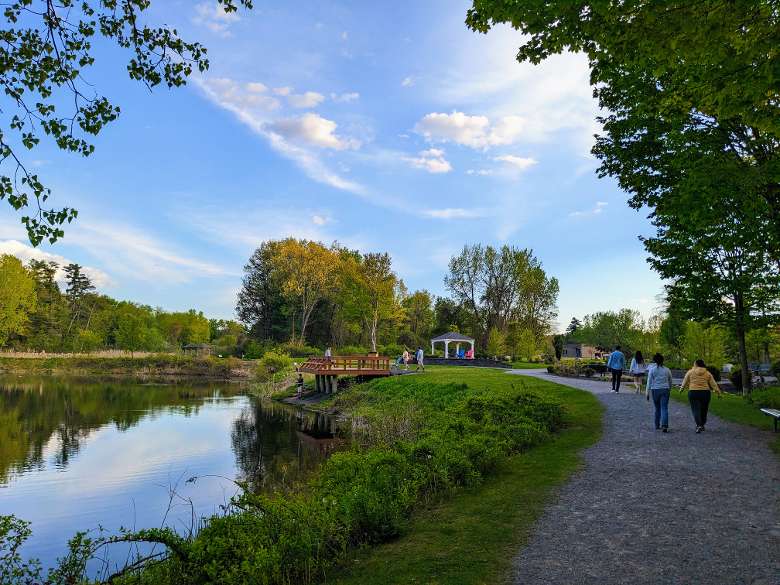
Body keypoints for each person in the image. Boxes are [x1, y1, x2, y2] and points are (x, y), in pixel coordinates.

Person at [680, 359, 722, 433]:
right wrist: (718, 392)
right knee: (704, 410)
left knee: (696, 409)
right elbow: (713, 384)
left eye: (694, 363)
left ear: (696, 364)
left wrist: (681, 389)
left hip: (693, 392)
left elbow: (685, 381)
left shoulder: (690, 372)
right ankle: (702, 424)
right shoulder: (707, 373)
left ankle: (699, 425)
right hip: (705, 393)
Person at [646, 353, 673, 432]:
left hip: (655, 390)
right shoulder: (667, 370)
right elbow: (670, 380)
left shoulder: (652, 370)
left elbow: (649, 382)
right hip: (665, 390)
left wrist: (647, 393)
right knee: (664, 408)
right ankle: (664, 425)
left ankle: (657, 425)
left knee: (657, 408)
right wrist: (669, 389)